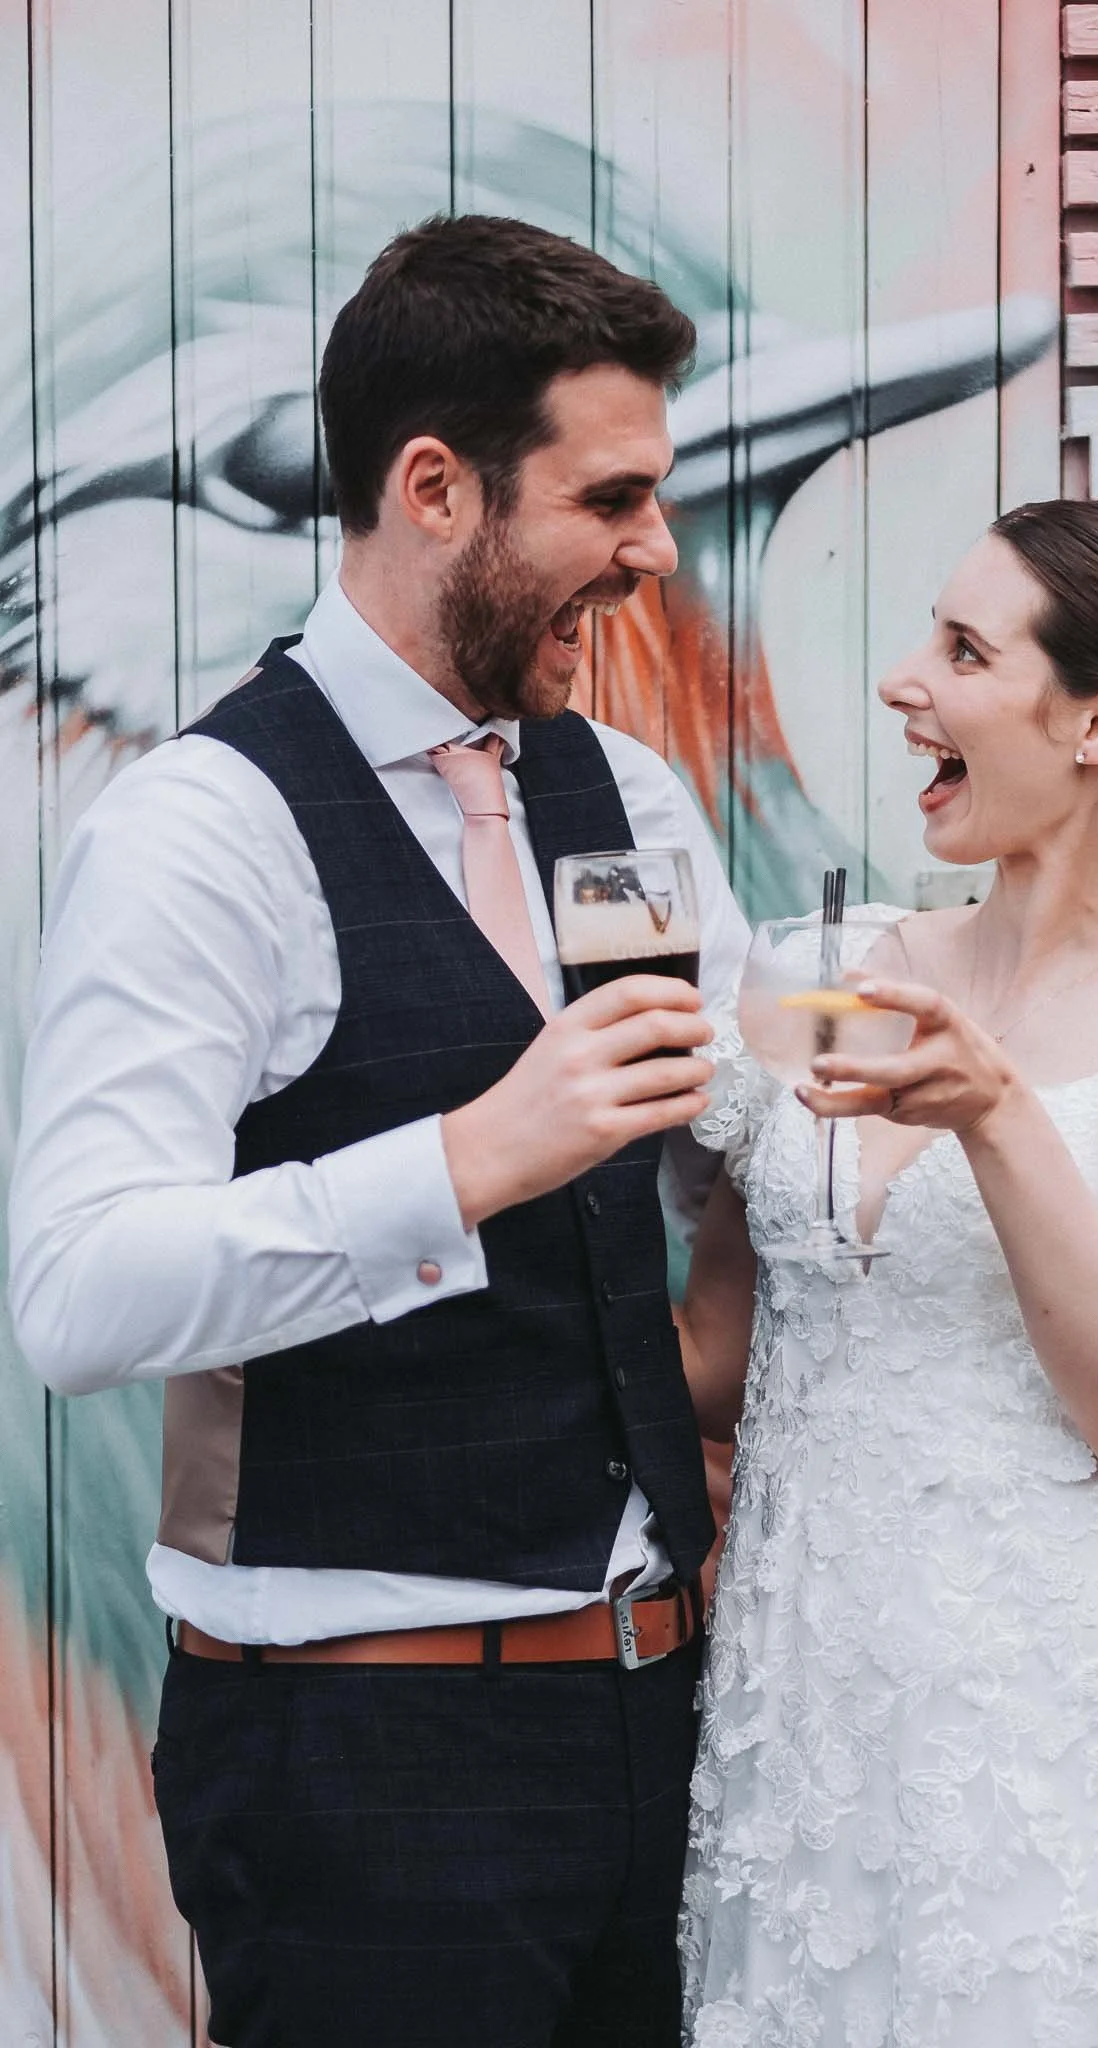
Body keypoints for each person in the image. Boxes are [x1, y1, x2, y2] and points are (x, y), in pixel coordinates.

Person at [9, 213, 752, 2048]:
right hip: (364, 1757)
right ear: (436, 487)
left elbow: (734, 1149)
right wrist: (469, 1158)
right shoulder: (207, 831)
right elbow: (78, 1293)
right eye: (614, 499)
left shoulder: (627, 788)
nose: (658, 550)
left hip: (666, 1719)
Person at [676, 496, 1098, 2047]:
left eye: (964, 649)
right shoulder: (824, 979)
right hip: (799, 1736)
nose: (903, 679)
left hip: (1039, 1728)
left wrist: (997, 1117)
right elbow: (715, 1361)